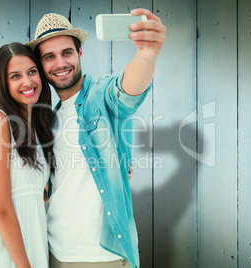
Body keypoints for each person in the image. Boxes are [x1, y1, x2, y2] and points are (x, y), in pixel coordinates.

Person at [24, 8, 166, 268]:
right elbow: (47, 188)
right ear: (41, 66)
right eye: (49, 57)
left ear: (79, 53)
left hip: (104, 256)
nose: (60, 63)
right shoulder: (47, 121)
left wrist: (147, 56)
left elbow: (126, 91)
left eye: (67, 52)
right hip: (55, 253)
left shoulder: (101, 95)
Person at [0, 42, 56, 268]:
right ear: (2, 83)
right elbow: (2, 210)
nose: (28, 81)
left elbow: (35, 191)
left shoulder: (37, 124)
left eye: (32, 72)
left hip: (30, 236)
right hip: (0, 242)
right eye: (15, 76)